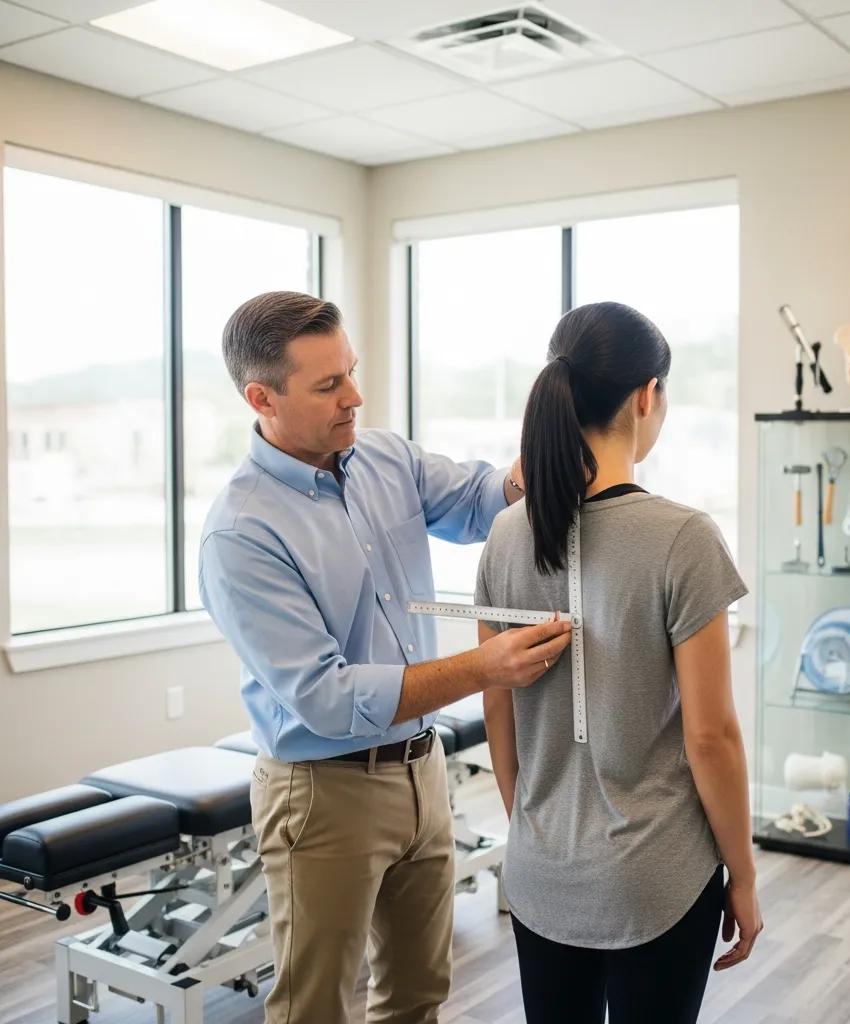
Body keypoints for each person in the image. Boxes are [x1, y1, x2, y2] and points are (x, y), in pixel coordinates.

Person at [199, 291, 572, 1024]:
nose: (354, 396)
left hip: (420, 770)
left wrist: (541, 460)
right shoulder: (241, 533)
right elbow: (327, 697)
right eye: (328, 385)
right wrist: (483, 668)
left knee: (417, 995)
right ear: (261, 398)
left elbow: (483, 499)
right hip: (323, 794)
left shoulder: (384, 457)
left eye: (352, 371)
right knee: (315, 1010)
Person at [477, 302, 763, 1024]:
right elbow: (711, 737)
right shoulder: (683, 537)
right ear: (646, 396)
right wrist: (744, 875)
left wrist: (535, 833)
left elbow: (497, 706)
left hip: (541, 872)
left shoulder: (505, 535)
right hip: (656, 877)